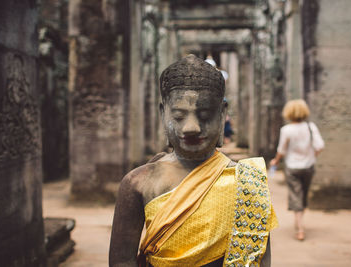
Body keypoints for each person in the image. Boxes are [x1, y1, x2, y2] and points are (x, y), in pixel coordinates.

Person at [109, 55, 278, 267]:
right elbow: (121, 262)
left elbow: (259, 259)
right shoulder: (138, 182)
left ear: (222, 114)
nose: (192, 127)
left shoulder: (248, 181)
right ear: (163, 114)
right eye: (179, 116)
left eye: (205, 115)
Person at [270, 99, 324, 241]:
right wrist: (311, 156)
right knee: (303, 194)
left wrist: (276, 160)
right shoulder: (311, 127)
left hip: (292, 167)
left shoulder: (286, 130)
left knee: (295, 195)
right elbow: (320, 146)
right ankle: (299, 223)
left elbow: (281, 150)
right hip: (309, 167)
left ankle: (299, 229)